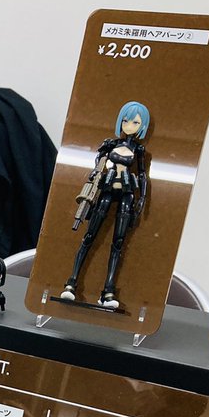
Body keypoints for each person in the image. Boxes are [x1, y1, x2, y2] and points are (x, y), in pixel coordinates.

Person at [62, 101, 150, 310]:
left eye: (136, 122)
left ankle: (108, 291)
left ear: (142, 125)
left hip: (127, 193)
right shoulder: (110, 144)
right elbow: (98, 163)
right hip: (107, 190)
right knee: (89, 236)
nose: (129, 125)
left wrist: (142, 198)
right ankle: (71, 283)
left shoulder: (138, 149)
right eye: (126, 120)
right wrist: (98, 170)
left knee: (118, 242)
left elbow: (142, 175)